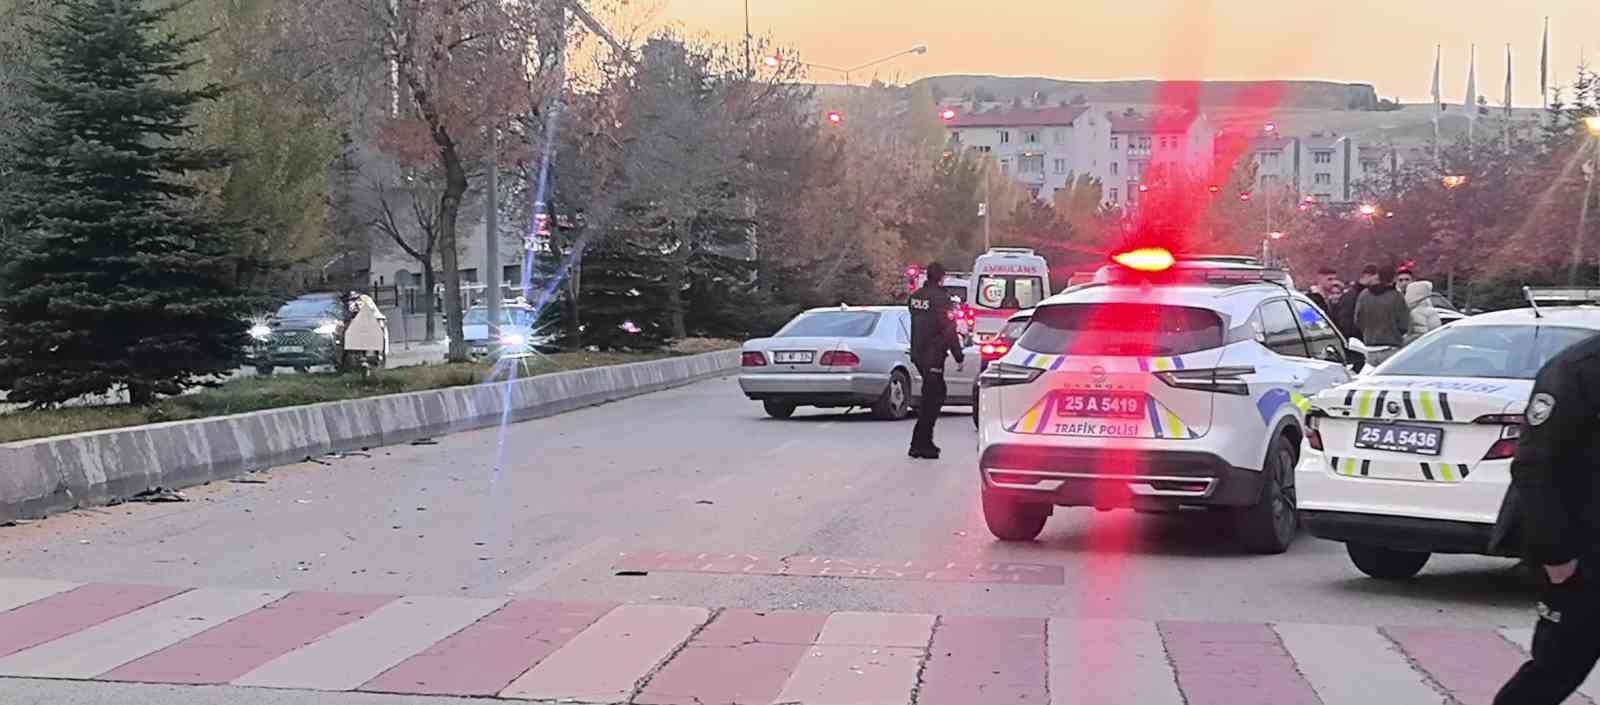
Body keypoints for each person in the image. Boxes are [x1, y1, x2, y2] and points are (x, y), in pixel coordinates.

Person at [1491, 331, 1600, 705]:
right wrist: (1556, 555)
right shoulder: (1578, 370)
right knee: (1556, 668)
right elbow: (1534, 469)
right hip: (1584, 549)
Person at [908, 262, 964, 460]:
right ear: (942, 277)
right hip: (933, 354)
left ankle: (921, 442)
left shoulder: (915, 297)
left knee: (931, 395)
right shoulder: (942, 299)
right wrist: (959, 355)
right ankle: (921, 443)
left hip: (918, 353)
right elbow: (949, 330)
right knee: (934, 397)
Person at [1354, 266, 1411, 363]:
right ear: (1393, 278)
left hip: (1370, 347)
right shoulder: (1396, 296)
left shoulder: (1364, 295)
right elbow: (1404, 324)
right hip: (1391, 347)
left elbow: (1357, 320)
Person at [1335, 264, 1379, 339]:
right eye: (1376, 279)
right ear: (1367, 276)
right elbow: (1346, 323)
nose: (1378, 283)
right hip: (1356, 342)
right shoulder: (1352, 296)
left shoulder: (1368, 295)